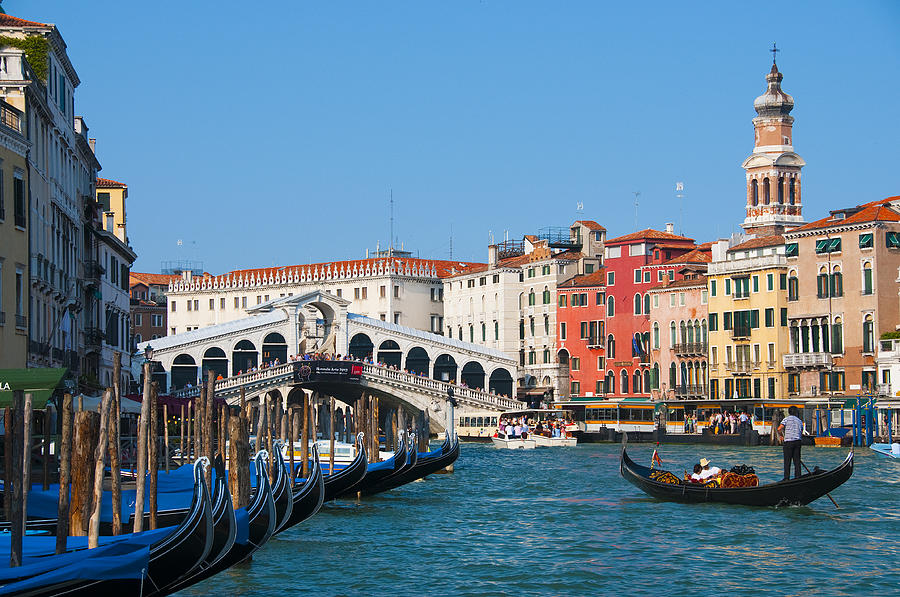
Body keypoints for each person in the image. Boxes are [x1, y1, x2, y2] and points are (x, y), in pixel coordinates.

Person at [778, 406, 804, 480]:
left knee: (787, 461)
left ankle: (786, 478)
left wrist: (781, 436)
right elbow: (801, 432)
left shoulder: (786, 419)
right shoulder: (799, 421)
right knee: (797, 461)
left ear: (789, 412)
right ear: (796, 412)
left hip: (788, 442)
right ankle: (798, 477)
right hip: (798, 442)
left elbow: (779, 429)